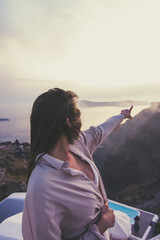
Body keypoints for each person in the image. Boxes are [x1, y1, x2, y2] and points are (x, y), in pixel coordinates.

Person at [22, 88, 133, 240]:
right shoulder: (42, 188)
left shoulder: (77, 144)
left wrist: (122, 116)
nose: (80, 121)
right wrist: (101, 226)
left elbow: (100, 131)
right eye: (77, 115)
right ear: (68, 122)